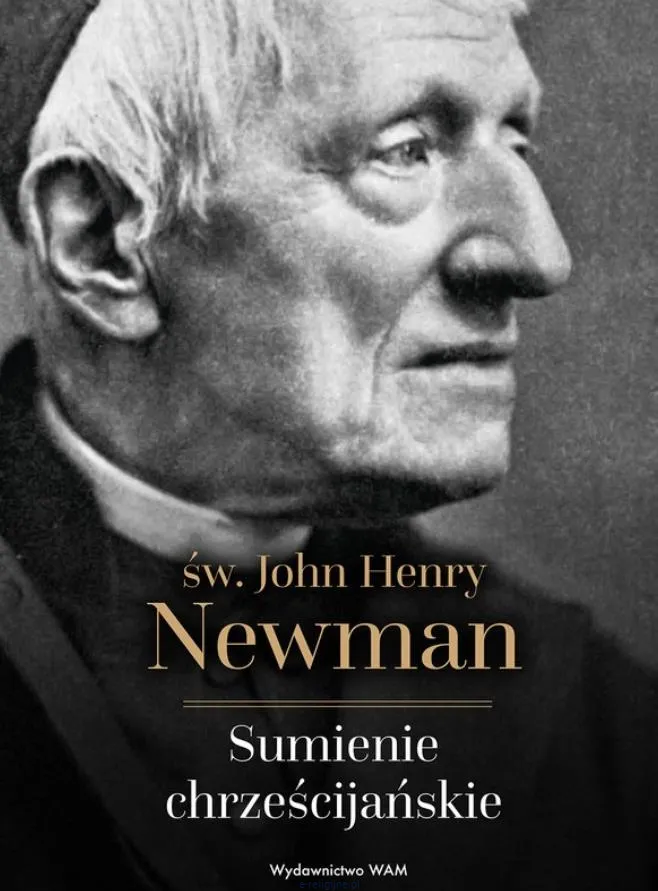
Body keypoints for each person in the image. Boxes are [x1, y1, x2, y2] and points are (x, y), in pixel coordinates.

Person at [0, 0, 655, 889]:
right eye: (405, 149)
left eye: (517, 143)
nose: (539, 256)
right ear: (104, 242)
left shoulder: (589, 724)